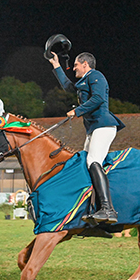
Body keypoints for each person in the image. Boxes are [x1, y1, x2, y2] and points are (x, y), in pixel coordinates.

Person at [49, 50, 125, 224]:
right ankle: (92, 208)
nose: (74, 68)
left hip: (104, 125)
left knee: (93, 161)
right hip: (93, 128)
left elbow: (98, 98)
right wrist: (56, 65)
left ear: (85, 64)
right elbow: (69, 87)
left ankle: (108, 209)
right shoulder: (85, 80)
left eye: (76, 65)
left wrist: (77, 111)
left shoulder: (96, 75)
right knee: (85, 164)